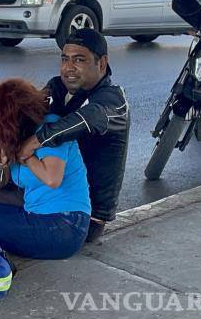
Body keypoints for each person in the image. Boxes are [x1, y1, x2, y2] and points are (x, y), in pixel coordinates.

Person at [0, 79, 92, 260]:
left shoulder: (49, 130)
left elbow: (52, 179)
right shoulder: (18, 135)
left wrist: (26, 155)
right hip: (39, 216)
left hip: (66, 226)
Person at [19, 28, 129, 243]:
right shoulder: (58, 87)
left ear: (102, 63)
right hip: (51, 195)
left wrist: (34, 142)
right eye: (65, 59)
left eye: (79, 60)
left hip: (83, 217)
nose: (69, 68)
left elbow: (86, 119)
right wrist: (0, 145)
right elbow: (27, 115)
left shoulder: (113, 100)